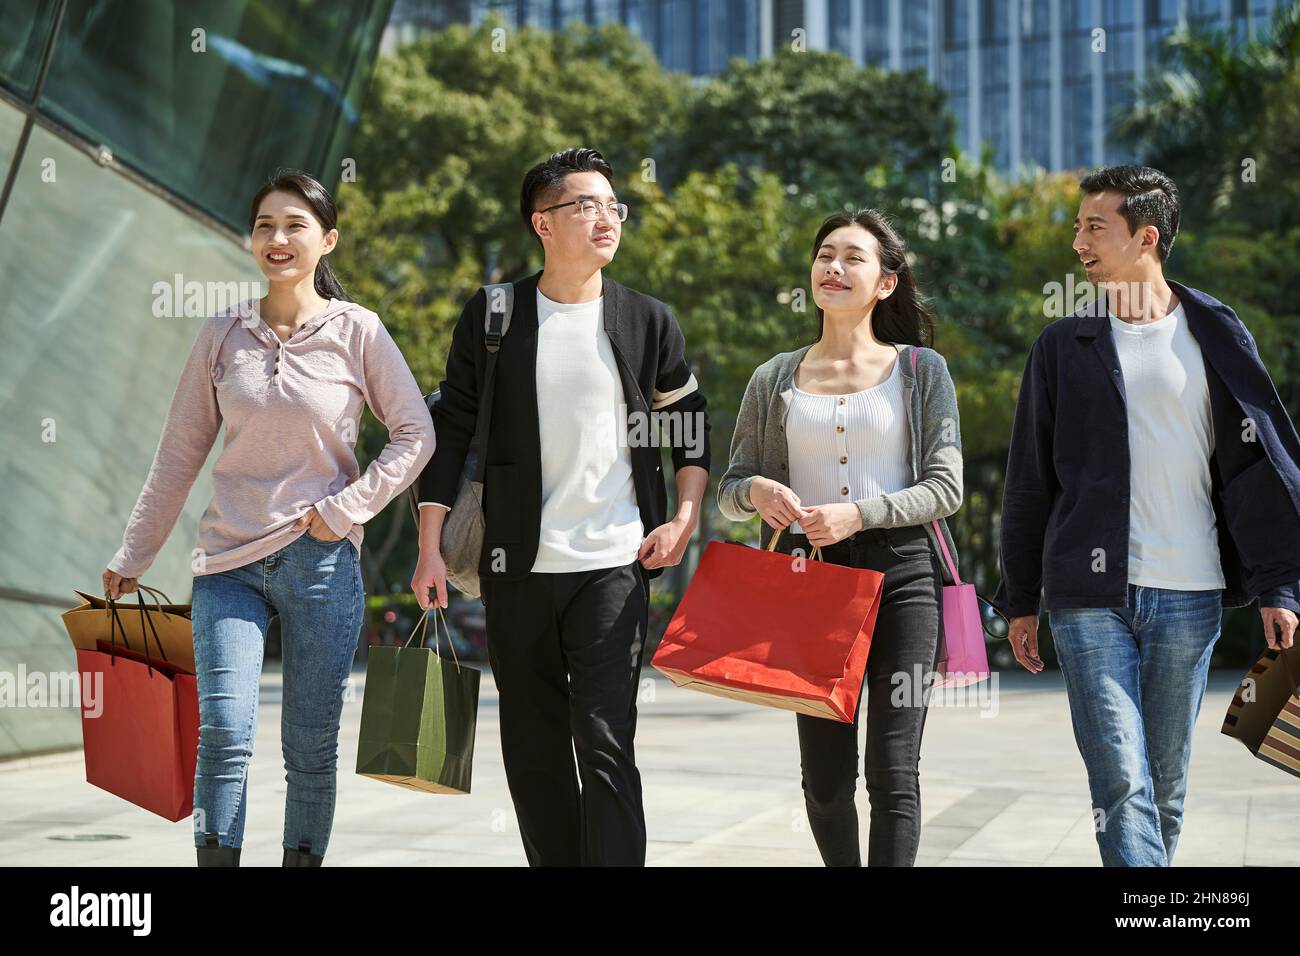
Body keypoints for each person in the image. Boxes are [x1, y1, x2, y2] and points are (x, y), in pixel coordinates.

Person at [103, 170, 434, 866]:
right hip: (228, 564)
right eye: (264, 225)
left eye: (294, 225)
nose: (277, 238)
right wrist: (133, 555)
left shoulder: (358, 332)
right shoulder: (222, 334)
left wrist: (345, 509)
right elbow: (178, 455)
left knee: (310, 745)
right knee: (224, 731)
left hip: (321, 565)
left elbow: (416, 433)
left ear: (328, 239)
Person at [411, 147, 710, 866]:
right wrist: (429, 547)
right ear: (542, 223)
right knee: (534, 748)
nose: (607, 218)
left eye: (614, 206)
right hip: (514, 566)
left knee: (606, 742)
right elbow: (448, 434)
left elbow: (690, 426)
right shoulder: (495, 315)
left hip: (615, 562)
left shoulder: (646, 319)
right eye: (587, 205)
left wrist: (684, 518)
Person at [994, 164, 1300, 866]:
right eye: (1078, 228)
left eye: (1094, 227)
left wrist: (1281, 587)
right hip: (1086, 599)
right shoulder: (1061, 348)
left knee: (1163, 787)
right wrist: (1019, 599)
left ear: (1147, 237)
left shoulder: (1216, 332)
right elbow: (1029, 482)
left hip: (1190, 593)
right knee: (1122, 780)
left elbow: (1264, 465)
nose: (1078, 242)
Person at [718, 208, 963, 866]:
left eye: (853, 257)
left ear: (885, 282)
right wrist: (757, 494)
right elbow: (732, 484)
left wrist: (862, 514)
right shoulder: (775, 378)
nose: (834, 266)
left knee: (892, 771)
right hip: (811, 581)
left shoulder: (921, 372)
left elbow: (946, 487)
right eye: (825, 254)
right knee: (826, 782)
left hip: (905, 576)